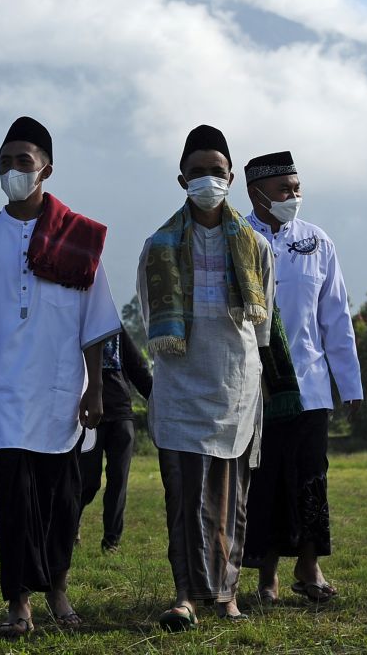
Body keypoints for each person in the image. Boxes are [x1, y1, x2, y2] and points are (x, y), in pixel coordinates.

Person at [0, 116, 121, 638]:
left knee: (63, 501)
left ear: (46, 167)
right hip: (2, 394)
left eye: (21, 161)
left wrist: (94, 387)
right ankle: (18, 603)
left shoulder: (77, 238)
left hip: (61, 393)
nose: (12, 170)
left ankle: (58, 589)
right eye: (4, 162)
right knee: (13, 502)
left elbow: (95, 324)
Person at [137, 124, 299, 631]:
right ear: (181, 178)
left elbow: (265, 321)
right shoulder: (158, 245)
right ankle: (185, 594)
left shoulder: (255, 245)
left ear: (231, 177)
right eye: (198, 172)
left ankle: (227, 593)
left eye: (217, 171)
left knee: (230, 496)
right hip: (181, 387)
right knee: (184, 496)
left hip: (235, 386)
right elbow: (148, 318)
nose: (208, 179)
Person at [240, 151, 364, 605]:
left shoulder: (317, 242)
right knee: (267, 478)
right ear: (256, 194)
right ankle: (265, 575)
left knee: (311, 476)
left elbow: (336, 316)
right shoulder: (237, 237)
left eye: (297, 188)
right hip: (257, 386)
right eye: (283, 190)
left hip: (311, 385)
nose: (294, 197)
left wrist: (349, 383)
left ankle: (310, 565)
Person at [77, 325, 153, 554]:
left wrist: (159, 400)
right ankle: (71, 525)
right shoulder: (76, 324)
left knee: (118, 480)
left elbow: (138, 368)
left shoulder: (115, 328)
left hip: (121, 412)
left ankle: (111, 541)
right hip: (89, 413)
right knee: (88, 481)